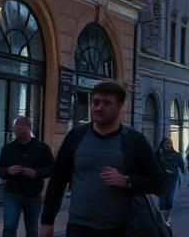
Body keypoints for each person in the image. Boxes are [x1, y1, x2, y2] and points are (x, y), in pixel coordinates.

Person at [39, 82, 164, 237]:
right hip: (79, 226)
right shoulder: (76, 136)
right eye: (96, 102)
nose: (99, 107)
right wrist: (47, 222)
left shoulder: (134, 141)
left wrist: (127, 181)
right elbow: (58, 180)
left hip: (121, 228)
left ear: (120, 108)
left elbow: (159, 183)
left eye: (106, 103)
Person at [0, 116, 54, 237]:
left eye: (19, 129)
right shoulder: (8, 148)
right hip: (12, 193)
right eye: (15, 129)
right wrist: (8, 170)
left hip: (33, 194)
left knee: (31, 228)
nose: (16, 132)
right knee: (9, 226)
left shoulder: (41, 148)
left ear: (28, 129)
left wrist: (35, 173)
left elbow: (51, 168)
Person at [155, 137, 185, 223]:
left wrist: (182, 171)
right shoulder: (158, 154)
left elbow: (181, 165)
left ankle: (167, 217)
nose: (168, 145)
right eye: (166, 143)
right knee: (162, 196)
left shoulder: (176, 154)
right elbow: (153, 165)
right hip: (161, 178)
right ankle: (162, 217)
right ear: (162, 144)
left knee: (170, 197)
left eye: (170, 143)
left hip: (173, 178)